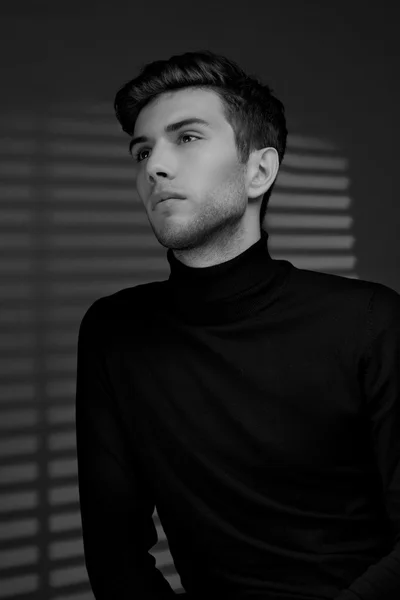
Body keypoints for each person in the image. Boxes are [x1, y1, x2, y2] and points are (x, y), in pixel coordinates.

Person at [75, 50, 400, 599]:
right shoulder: (115, 332)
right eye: (143, 150)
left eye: (188, 138)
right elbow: (114, 555)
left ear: (260, 171)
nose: (154, 166)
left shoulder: (369, 321)